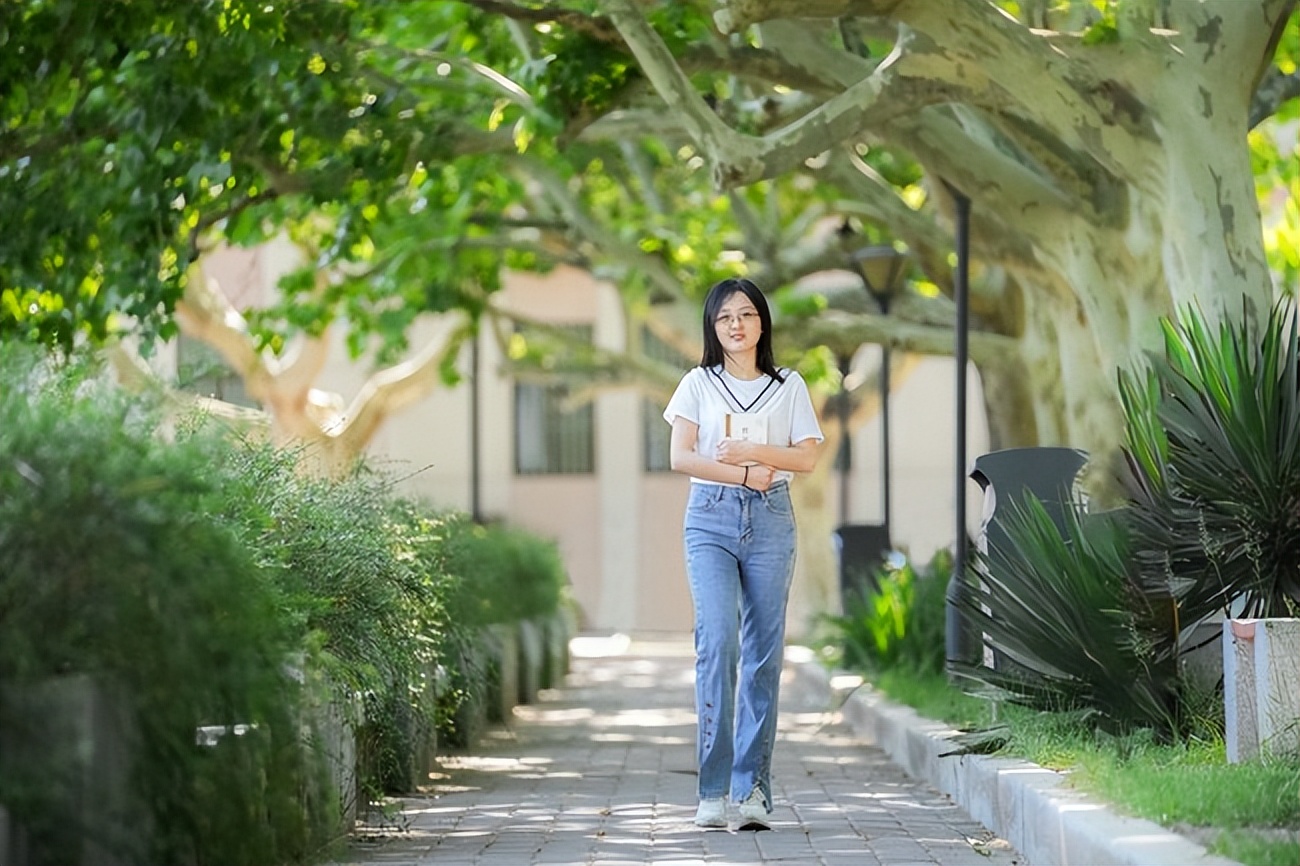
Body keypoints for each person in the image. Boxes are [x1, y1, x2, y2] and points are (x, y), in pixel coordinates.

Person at [662, 277, 823, 831]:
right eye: (725, 316)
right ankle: (711, 791)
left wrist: (755, 453)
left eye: (747, 314)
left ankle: (752, 789)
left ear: (762, 323)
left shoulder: (789, 386)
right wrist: (743, 473)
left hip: (773, 519)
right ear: (713, 327)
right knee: (718, 642)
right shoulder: (697, 384)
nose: (736, 324)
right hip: (709, 517)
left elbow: (806, 460)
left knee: (763, 655)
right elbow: (681, 456)